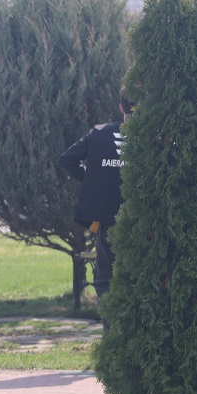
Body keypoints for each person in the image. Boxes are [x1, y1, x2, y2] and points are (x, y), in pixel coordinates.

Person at [57, 95, 133, 309]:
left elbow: (66, 159)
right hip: (143, 221)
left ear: (121, 107)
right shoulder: (155, 136)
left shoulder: (100, 133)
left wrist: (90, 180)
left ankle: (111, 332)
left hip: (108, 221)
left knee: (105, 281)